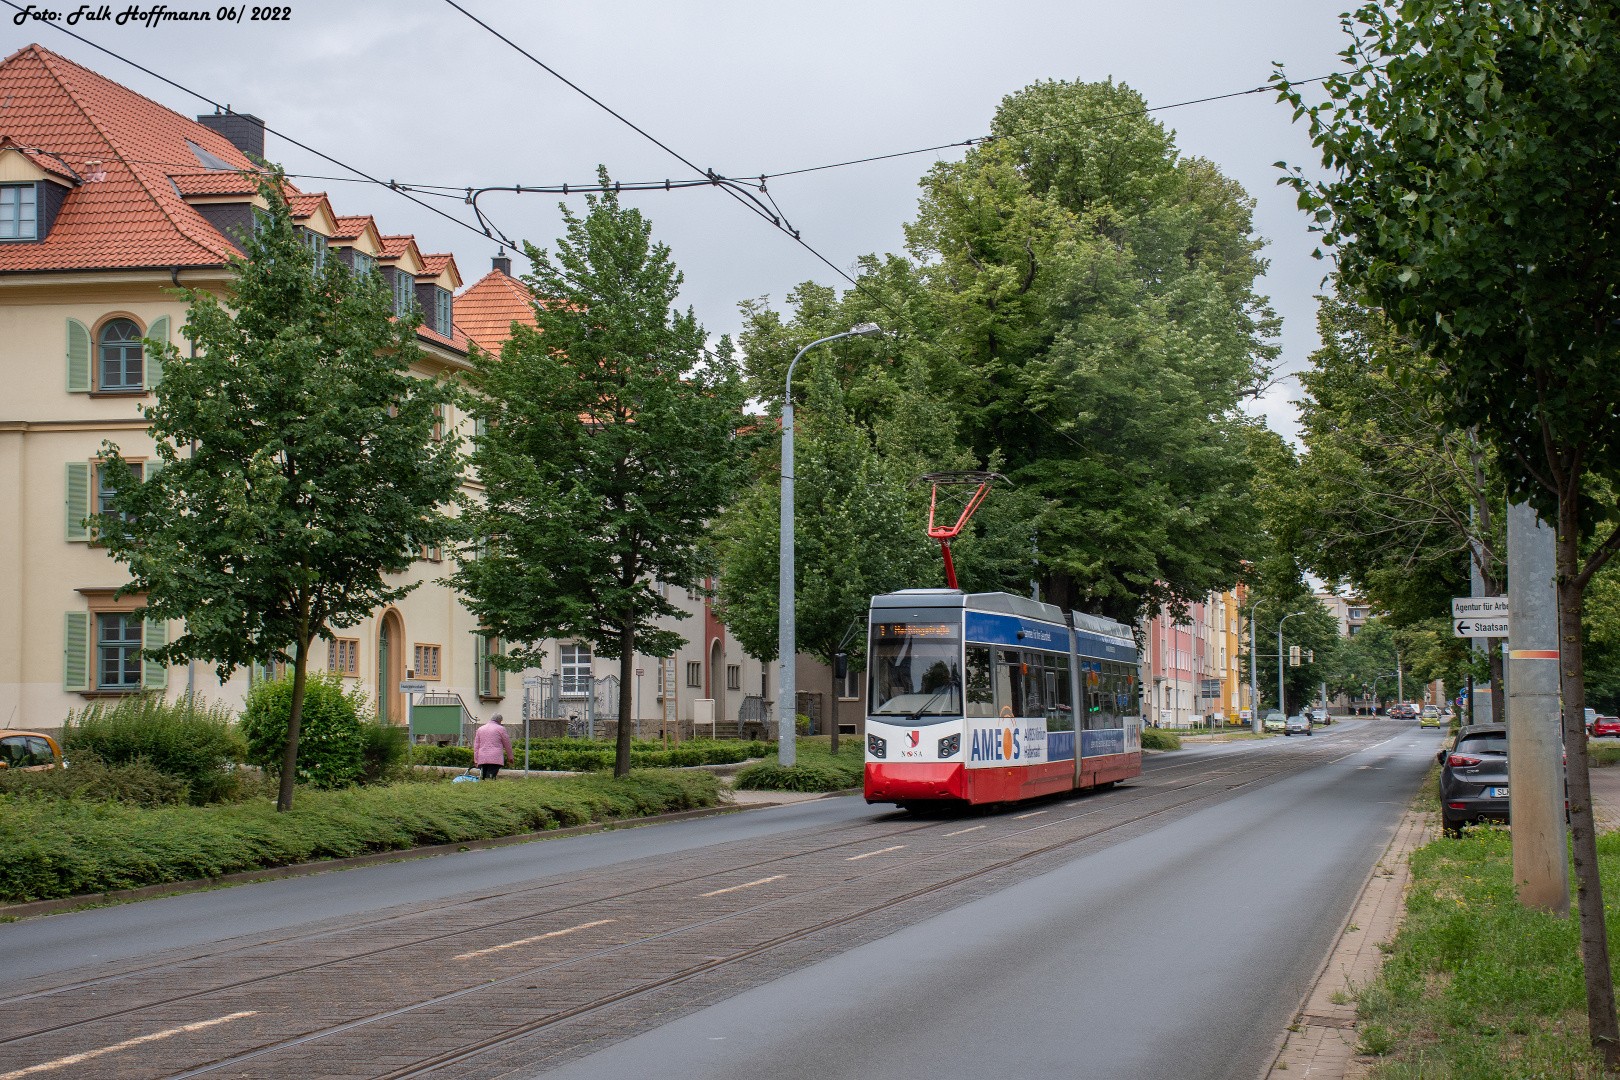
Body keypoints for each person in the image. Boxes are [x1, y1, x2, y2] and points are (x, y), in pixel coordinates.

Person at [473, 713, 514, 781]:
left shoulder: (480, 729)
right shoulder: (501, 729)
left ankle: (484, 789)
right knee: (490, 776)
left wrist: (476, 760)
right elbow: (507, 744)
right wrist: (510, 757)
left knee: (484, 776)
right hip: (495, 757)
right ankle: (489, 789)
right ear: (499, 721)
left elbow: (476, 745)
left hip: (483, 757)